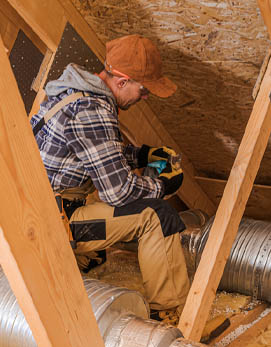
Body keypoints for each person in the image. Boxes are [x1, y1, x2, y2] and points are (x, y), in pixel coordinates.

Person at [31, 34, 189, 318]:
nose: (145, 97)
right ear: (122, 81)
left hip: (36, 209)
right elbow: (118, 192)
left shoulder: (73, 93)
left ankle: (76, 259)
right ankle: (169, 314)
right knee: (158, 215)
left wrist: (144, 155)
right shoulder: (93, 110)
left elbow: (94, 155)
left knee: (107, 233)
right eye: (143, 90)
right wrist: (164, 185)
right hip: (55, 223)